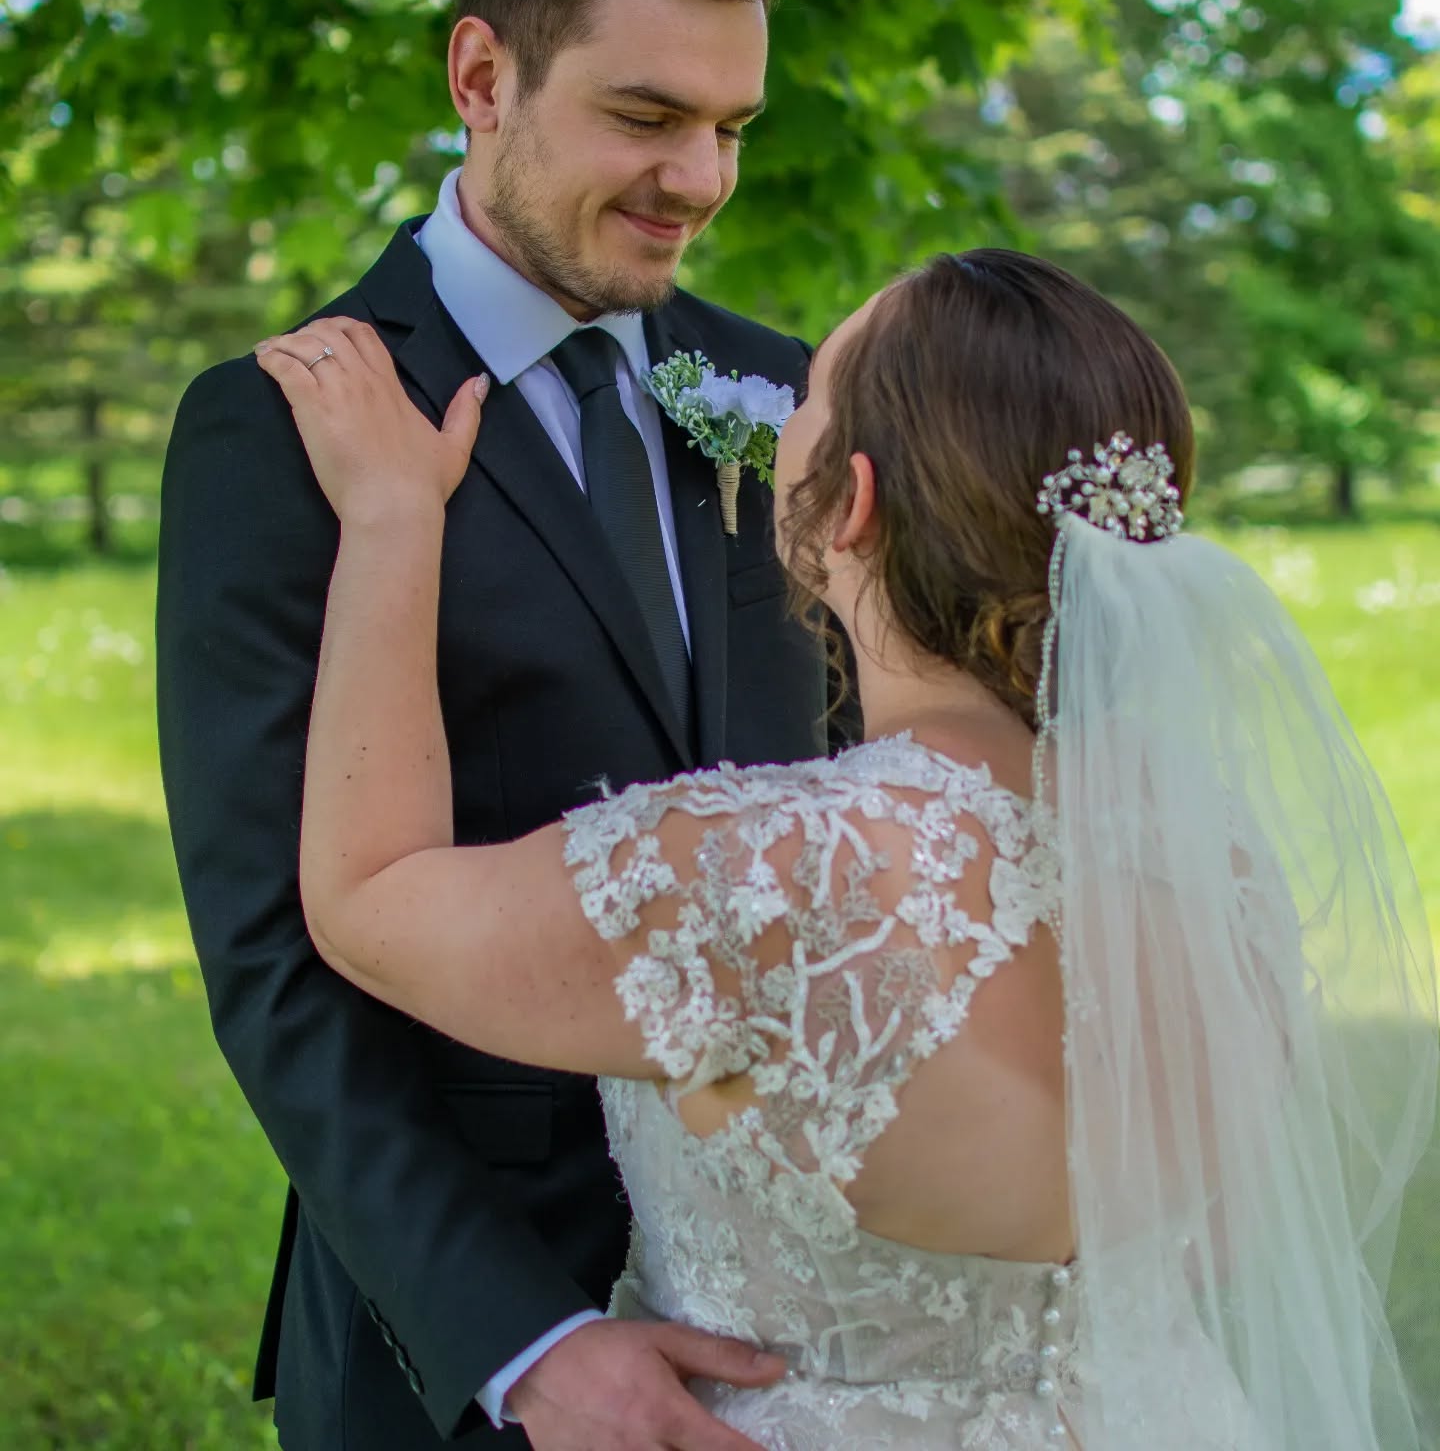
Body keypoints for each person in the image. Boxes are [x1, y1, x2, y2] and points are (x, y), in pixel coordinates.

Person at [255, 246, 1437, 1450]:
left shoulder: (777, 872)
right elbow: (1215, 1239)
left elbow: (368, 900)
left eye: (809, 394)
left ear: (853, 500)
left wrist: (392, 513)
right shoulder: (1217, 868)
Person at [157, 0, 832, 1451]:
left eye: (732, 126)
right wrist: (526, 1344)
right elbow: (271, 960)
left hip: (783, 1314)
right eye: (647, 116)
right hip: (451, 1357)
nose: (702, 182)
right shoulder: (280, 427)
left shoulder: (785, 392)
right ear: (481, 73)